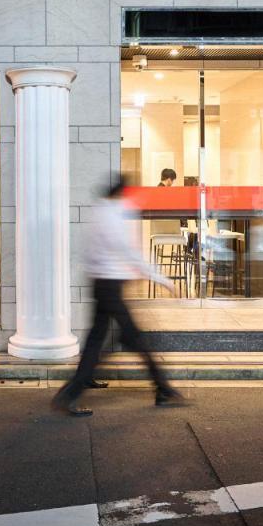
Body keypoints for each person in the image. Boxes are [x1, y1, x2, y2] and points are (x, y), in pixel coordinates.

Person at [53, 176, 185, 417]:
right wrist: (162, 279)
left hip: (100, 284)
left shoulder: (98, 213)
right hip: (111, 288)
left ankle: (71, 392)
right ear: (123, 193)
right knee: (132, 338)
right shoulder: (115, 215)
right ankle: (162, 388)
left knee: (97, 342)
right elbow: (128, 252)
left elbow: (91, 252)